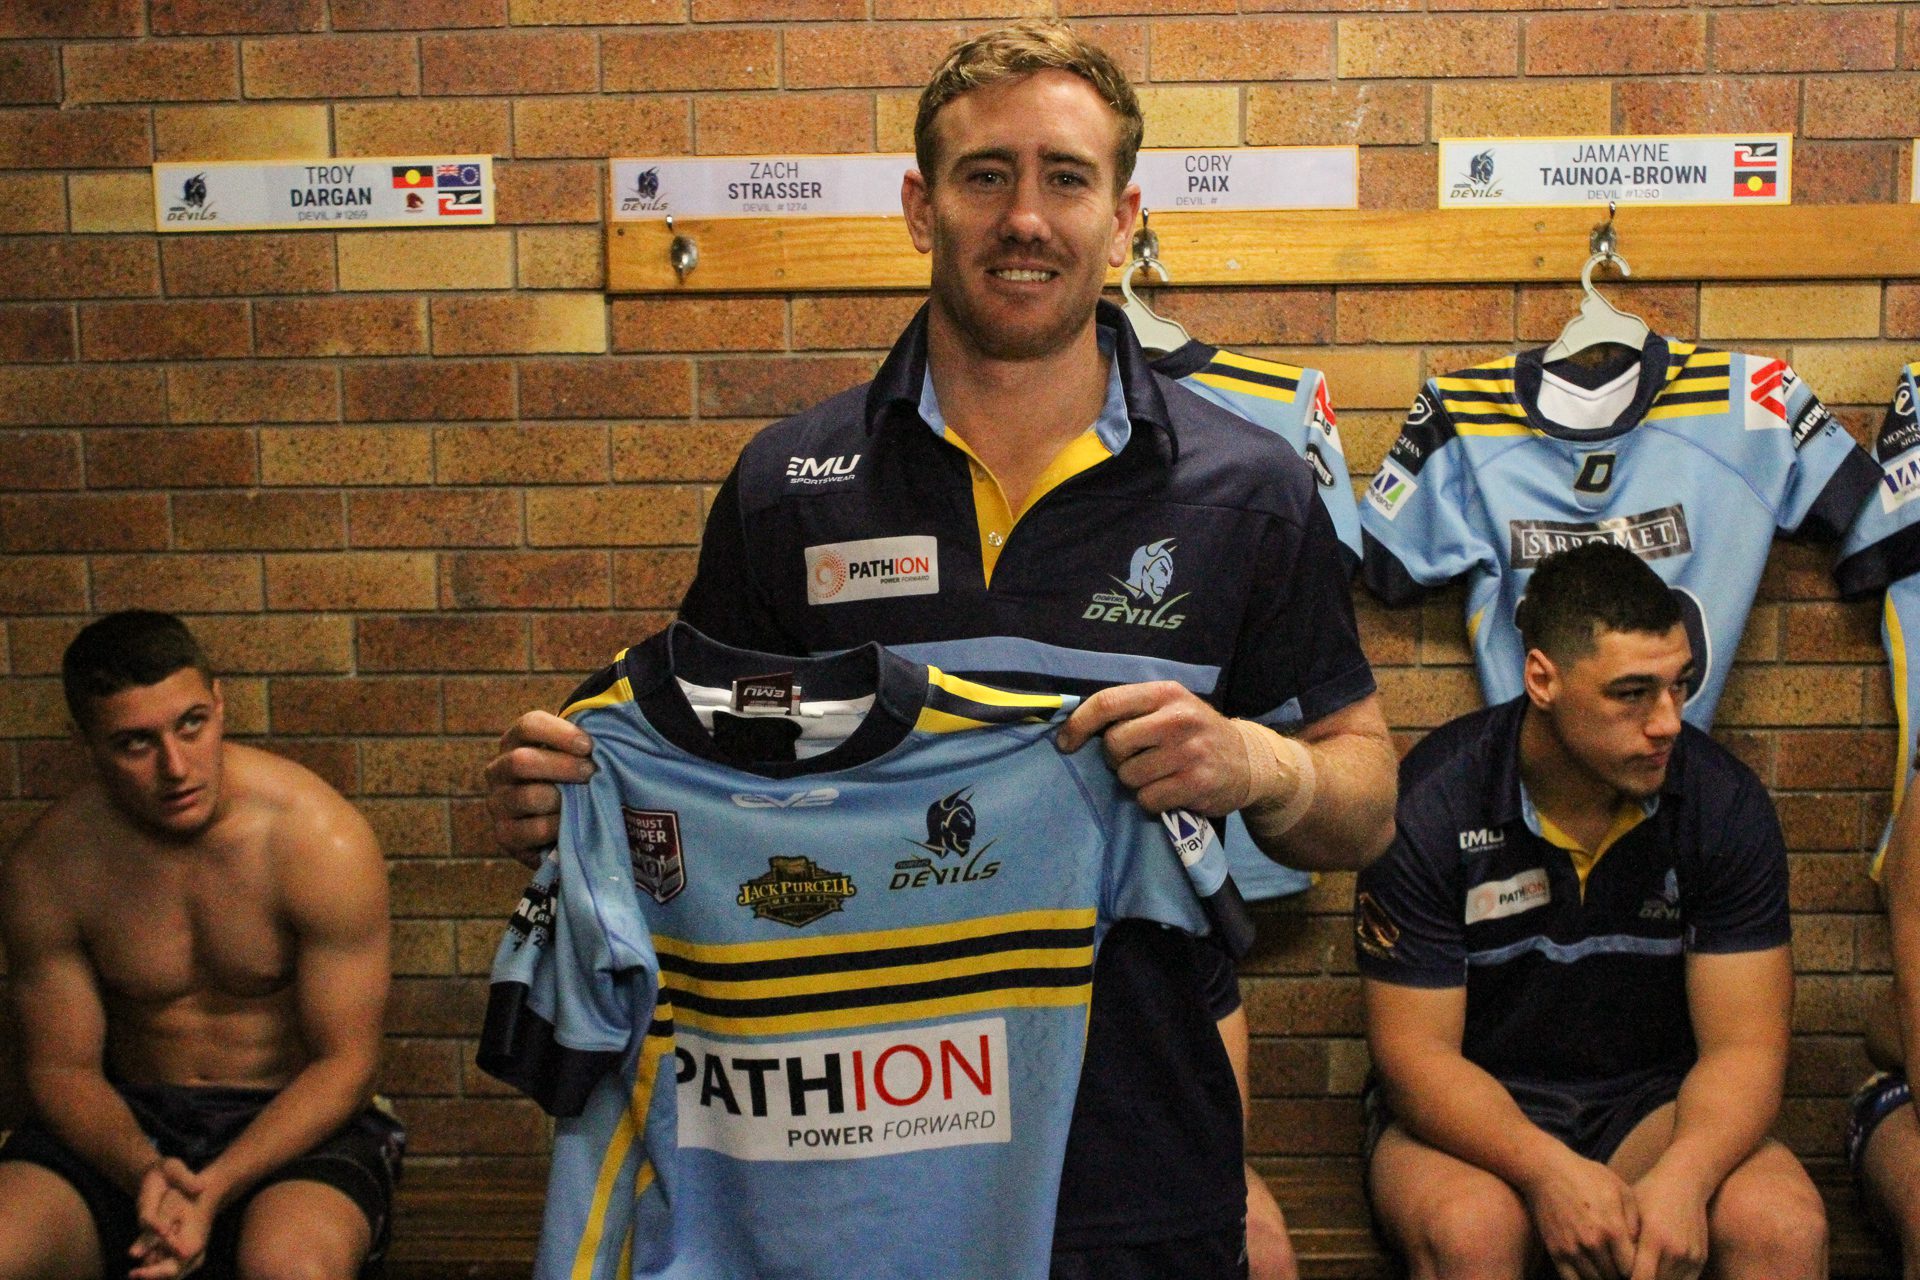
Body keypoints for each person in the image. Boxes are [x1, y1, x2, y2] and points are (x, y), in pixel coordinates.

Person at [484, 20, 1396, 1279]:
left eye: (1065, 178)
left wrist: (1260, 767)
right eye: (985, 176)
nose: (1025, 217)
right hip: (853, 1164)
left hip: (1135, 1159)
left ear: (1122, 217)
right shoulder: (789, 487)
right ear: (922, 207)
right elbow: (699, 783)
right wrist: (573, 806)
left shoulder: (1249, 485)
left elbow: (1366, 801)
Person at [1355, 543, 1825, 1280]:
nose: (1667, 722)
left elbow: (1746, 1049)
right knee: (1473, 1232)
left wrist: (1686, 1177)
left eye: (1678, 686)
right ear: (1542, 679)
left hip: (1651, 1108)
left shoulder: (1721, 803)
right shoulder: (1433, 802)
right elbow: (1417, 1059)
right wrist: (1548, 1172)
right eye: (1631, 693)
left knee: (1782, 1226)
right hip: (1477, 1115)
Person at [0, 612, 400, 1280]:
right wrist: (147, 1172)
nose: (176, 768)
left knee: (291, 1268)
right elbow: (61, 1071)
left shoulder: (317, 839)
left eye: (191, 724)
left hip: (291, 1123)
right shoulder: (51, 866)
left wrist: (213, 1186)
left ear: (219, 703)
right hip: (123, 1127)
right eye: (135, 743)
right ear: (85, 742)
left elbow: (347, 1064)